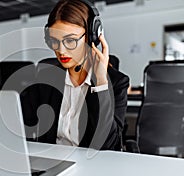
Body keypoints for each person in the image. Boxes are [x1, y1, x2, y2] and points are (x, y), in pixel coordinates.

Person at [21, 0, 129, 151]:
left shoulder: (117, 83)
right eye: (54, 41)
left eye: (70, 40)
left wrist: (100, 83)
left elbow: (107, 146)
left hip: (92, 166)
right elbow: (21, 126)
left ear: (91, 37)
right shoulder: (45, 78)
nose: (61, 51)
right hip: (52, 162)